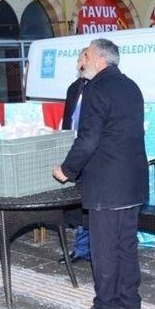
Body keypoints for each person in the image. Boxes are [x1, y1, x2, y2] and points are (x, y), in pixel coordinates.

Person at [53, 39, 148, 309]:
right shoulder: (132, 86)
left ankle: (106, 306)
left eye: (86, 55)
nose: (82, 61)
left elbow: (88, 140)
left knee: (104, 249)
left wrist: (66, 170)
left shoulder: (95, 89)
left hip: (107, 185)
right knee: (126, 246)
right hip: (133, 183)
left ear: (100, 60)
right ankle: (130, 303)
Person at [60, 48, 91, 265]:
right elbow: (68, 120)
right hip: (75, 150)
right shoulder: (74, 88)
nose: (78, 63)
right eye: (78, 60)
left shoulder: (99, 88)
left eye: (82, 59)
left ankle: (93, 249)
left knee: (91, 204)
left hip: (93, 153)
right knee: (79, 205)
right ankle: (81, 249)